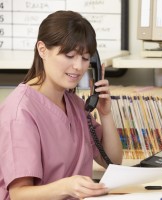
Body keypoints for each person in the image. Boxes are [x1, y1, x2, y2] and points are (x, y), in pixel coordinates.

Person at [0, 10, 123, 200]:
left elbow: (113, 162)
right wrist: (66, 186)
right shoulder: (20, 112)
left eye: (84, 58)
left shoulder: (75, 104)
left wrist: (105, 114)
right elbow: (19, 195)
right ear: (42, 50)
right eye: (69, 55)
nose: (78, 67)